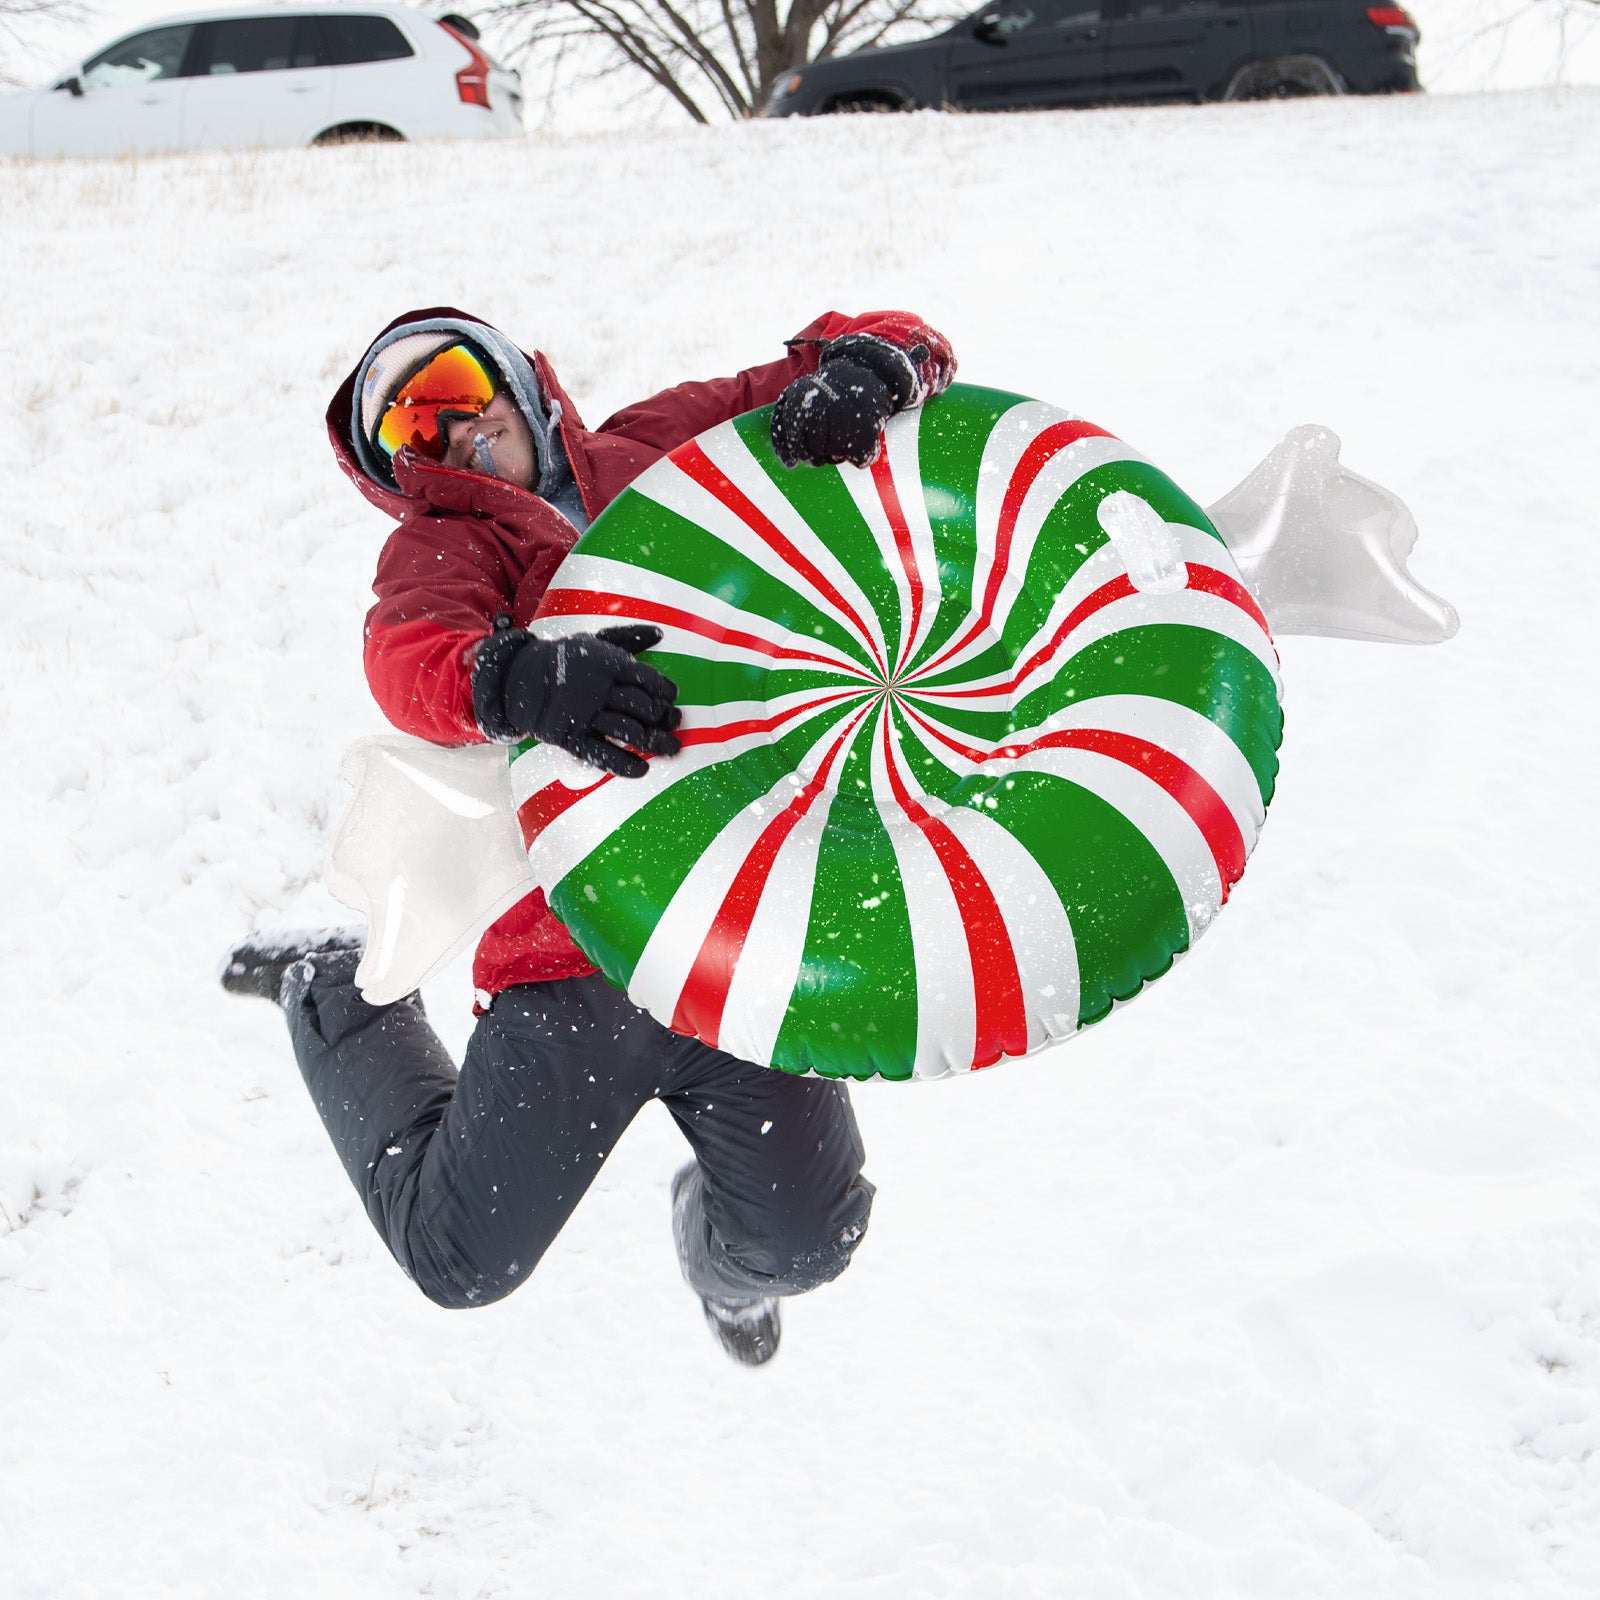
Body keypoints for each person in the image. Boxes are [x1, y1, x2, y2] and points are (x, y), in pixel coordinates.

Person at [223, 306, 956, 1365]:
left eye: (456, 391)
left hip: (726, 932)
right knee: (459, 1259)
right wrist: (514, 675)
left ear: (514, 377)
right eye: (413, 431)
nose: (451, 432)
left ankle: (721, 1266)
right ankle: (334, 992)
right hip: (572, 960)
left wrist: (878, 367)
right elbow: (408, 648)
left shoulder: (659, 445)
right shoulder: (441, 546)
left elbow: (868, 341)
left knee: (809, 1238)